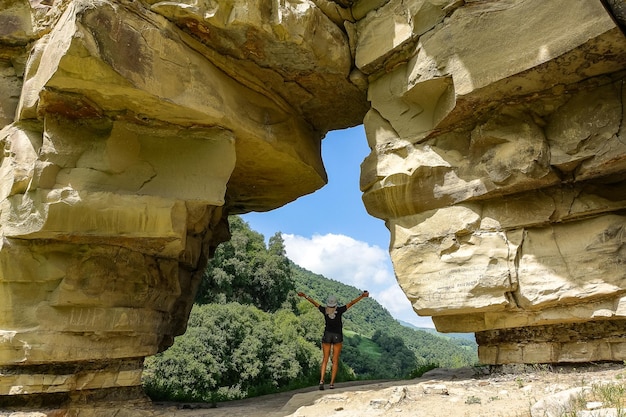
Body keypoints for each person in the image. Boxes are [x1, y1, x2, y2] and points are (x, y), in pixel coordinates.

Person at [297, 290, 369, 390]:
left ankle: (321, 381)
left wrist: (305, 296)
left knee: (325, 360)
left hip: (327, 335)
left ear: (328, 303)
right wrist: (362, 296)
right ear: (335, 303)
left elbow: (314, 302)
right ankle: (331, 384)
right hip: (337, 336)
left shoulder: (324, 310)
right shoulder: (340, 310)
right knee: (335, 360)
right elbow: (352, 303)